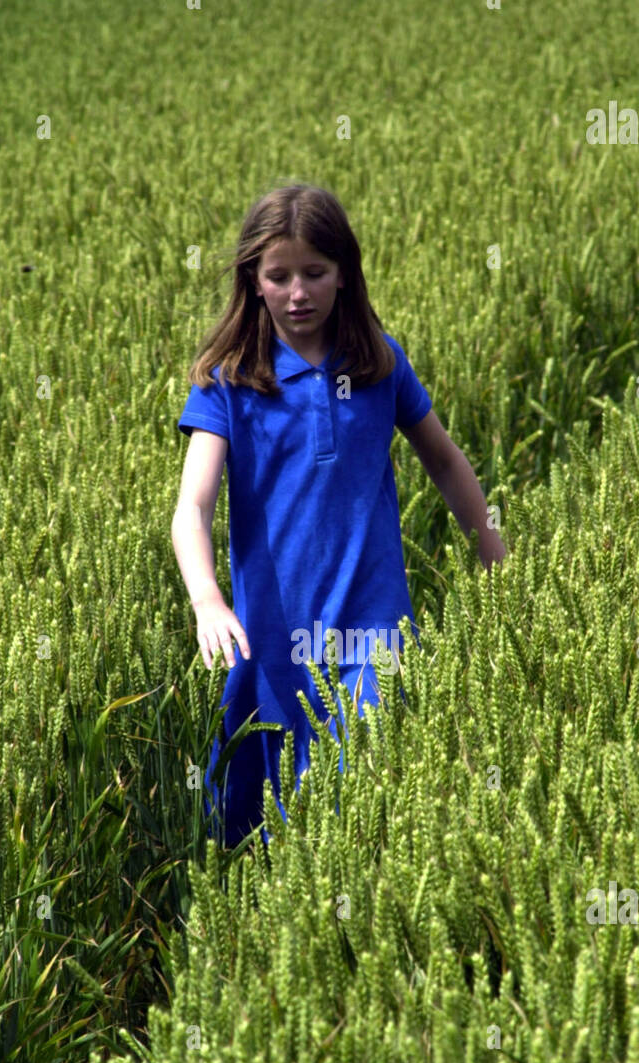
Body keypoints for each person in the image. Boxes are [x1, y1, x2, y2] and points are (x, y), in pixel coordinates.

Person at [172, 183, 506, 850]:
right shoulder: (228, 381)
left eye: (315, 273)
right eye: (279, 275)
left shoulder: (378, 362)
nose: (298, 292)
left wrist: (496, 559)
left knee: (364, 803)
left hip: (372, 630)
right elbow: (194, 505)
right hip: (270, 639)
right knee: (254, 823)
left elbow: (444, 460)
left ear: (345, 274)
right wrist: (208, 599)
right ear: (253, 282)